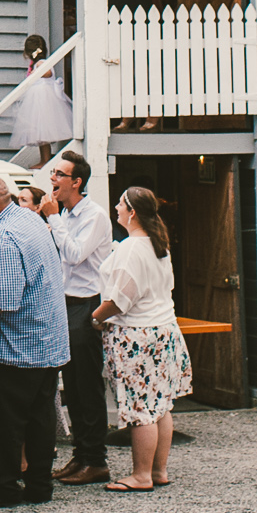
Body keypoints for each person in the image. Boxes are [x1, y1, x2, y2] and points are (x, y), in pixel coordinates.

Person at [0, 174, 68, 508]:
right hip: (48, 340)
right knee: (41, 418)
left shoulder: (7, 238)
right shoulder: (28, 219)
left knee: (6, 423)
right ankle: (40, 485)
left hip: (16, 345)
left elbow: (3, 300)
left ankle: (5, 487)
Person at [90, 186, 192, 493]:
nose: (117, 209)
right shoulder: (158, 244)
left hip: (137, 335)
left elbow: (120, 299)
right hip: (164, 330)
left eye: (121, 205)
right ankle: (158, 471)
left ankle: (141, 475)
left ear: (132, 212)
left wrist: (95, 317)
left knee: (140, 408)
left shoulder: (131, 248)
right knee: (161, 405)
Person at [36, 150, 112, 486]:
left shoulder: (93, 215)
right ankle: (80, 455)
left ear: (76, 181)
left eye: (58, 174)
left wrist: (52, 220)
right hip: (63, 302)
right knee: (72, 384)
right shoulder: (63, 214)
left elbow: (76, 255)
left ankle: (96, 459)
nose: (52, 179)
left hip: (87, 302)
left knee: (87, 384)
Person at [9, 35, 74, 170]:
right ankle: (44, 159)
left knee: (43, 132)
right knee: (41, 134)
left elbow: (47, 72)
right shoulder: (36, 64)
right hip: (39, 99)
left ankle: (45, 160)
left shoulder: (41, 64)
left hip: (43, 100)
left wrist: (36, 74)